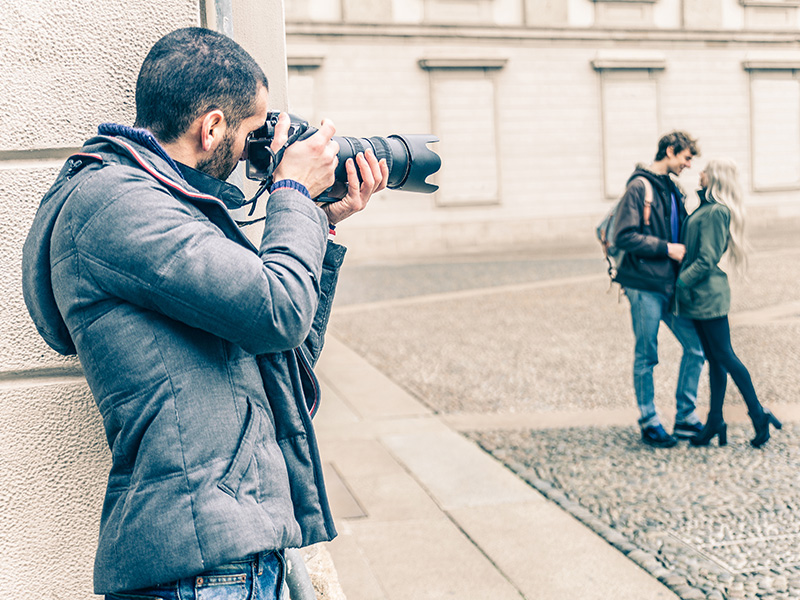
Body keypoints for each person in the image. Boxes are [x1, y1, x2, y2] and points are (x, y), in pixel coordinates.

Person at [21, 27, 388, 599]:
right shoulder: (119, 205)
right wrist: (290, 191)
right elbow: (280, 311)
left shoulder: (166, 207)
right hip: (202, 569)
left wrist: (320, 220)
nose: (250, 153)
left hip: (224, 558)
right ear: (212, 127)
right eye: (249, 132)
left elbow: (284, 352)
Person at [675, 158, 781, 448]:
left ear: (717, 177)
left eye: (706, 170)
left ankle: (758, 413)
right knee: (716, 359)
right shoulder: (706, 208)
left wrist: (682, 282)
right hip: (700, 296)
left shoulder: (716, 212)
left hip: (708, 295)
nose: (700, 173)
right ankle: (715, 421)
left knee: (725, 355)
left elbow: (707, 259)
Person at [614, 131, 706, 448]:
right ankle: (649, 421)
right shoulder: (639, 186)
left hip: (670, 285)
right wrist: (666, 248)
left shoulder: (673, 188)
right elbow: (623, 236)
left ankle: (685, 417)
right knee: (647, 354)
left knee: (696, 347)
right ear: (670, 151)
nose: (688, 165)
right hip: (644, 285)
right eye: (686, 158)